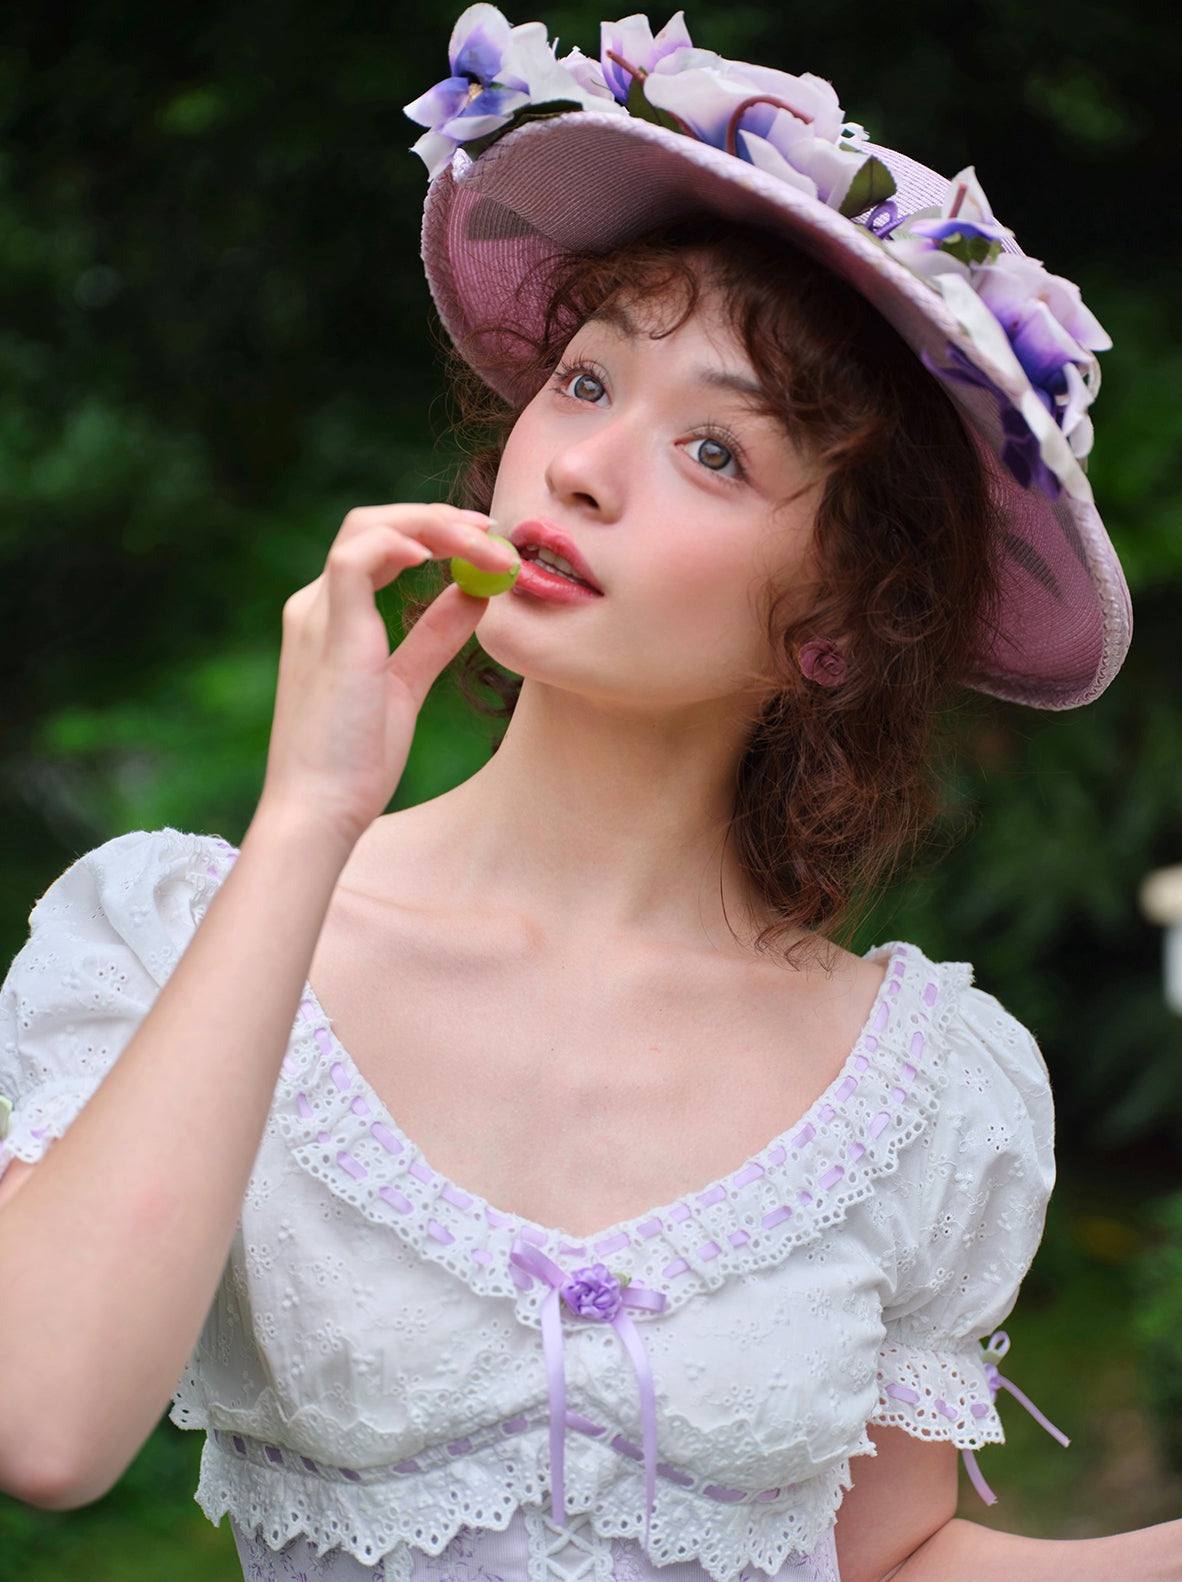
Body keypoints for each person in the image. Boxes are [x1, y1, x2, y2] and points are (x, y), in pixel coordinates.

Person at [0, 8, 1176, 1581]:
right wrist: (306, 823)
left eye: (710, 449)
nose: (578, 466)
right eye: (581, 381)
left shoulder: (930, 1090)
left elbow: (892, 1561)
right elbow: (47, 1425)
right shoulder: (171, 934)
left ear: (834, 624)